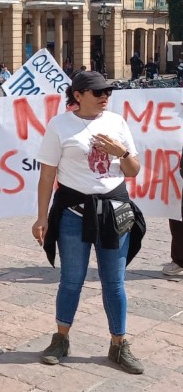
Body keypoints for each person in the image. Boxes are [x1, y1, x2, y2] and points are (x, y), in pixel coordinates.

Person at [32, 71, 146, 374]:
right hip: (73, 213)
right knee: (71, 279)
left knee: (114, 282)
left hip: (113, 211)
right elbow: (46, 176)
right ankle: (61, 339)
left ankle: (119, 344)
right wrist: (42, 216)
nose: (104, 97)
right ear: (78, 95)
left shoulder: (117, 123)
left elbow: (133, 170)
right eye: (98, 93)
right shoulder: (59, 125)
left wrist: (119, 152)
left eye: (107, 92)